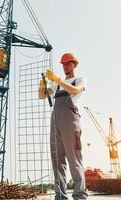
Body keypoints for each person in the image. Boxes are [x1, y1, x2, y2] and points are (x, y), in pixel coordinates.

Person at [38, 53, 88, 200]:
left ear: (75, 64)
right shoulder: (56, 84)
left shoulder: (80, 79)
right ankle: (60, 196)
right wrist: (42, 86)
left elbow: (75, 91)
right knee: (57, 159)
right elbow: (42, 96)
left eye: (68, 63)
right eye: (64, 64)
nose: (65, 66)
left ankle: (80, 195)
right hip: (56, 121)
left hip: (70, 120)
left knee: (74, 158)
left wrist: (58, 79)